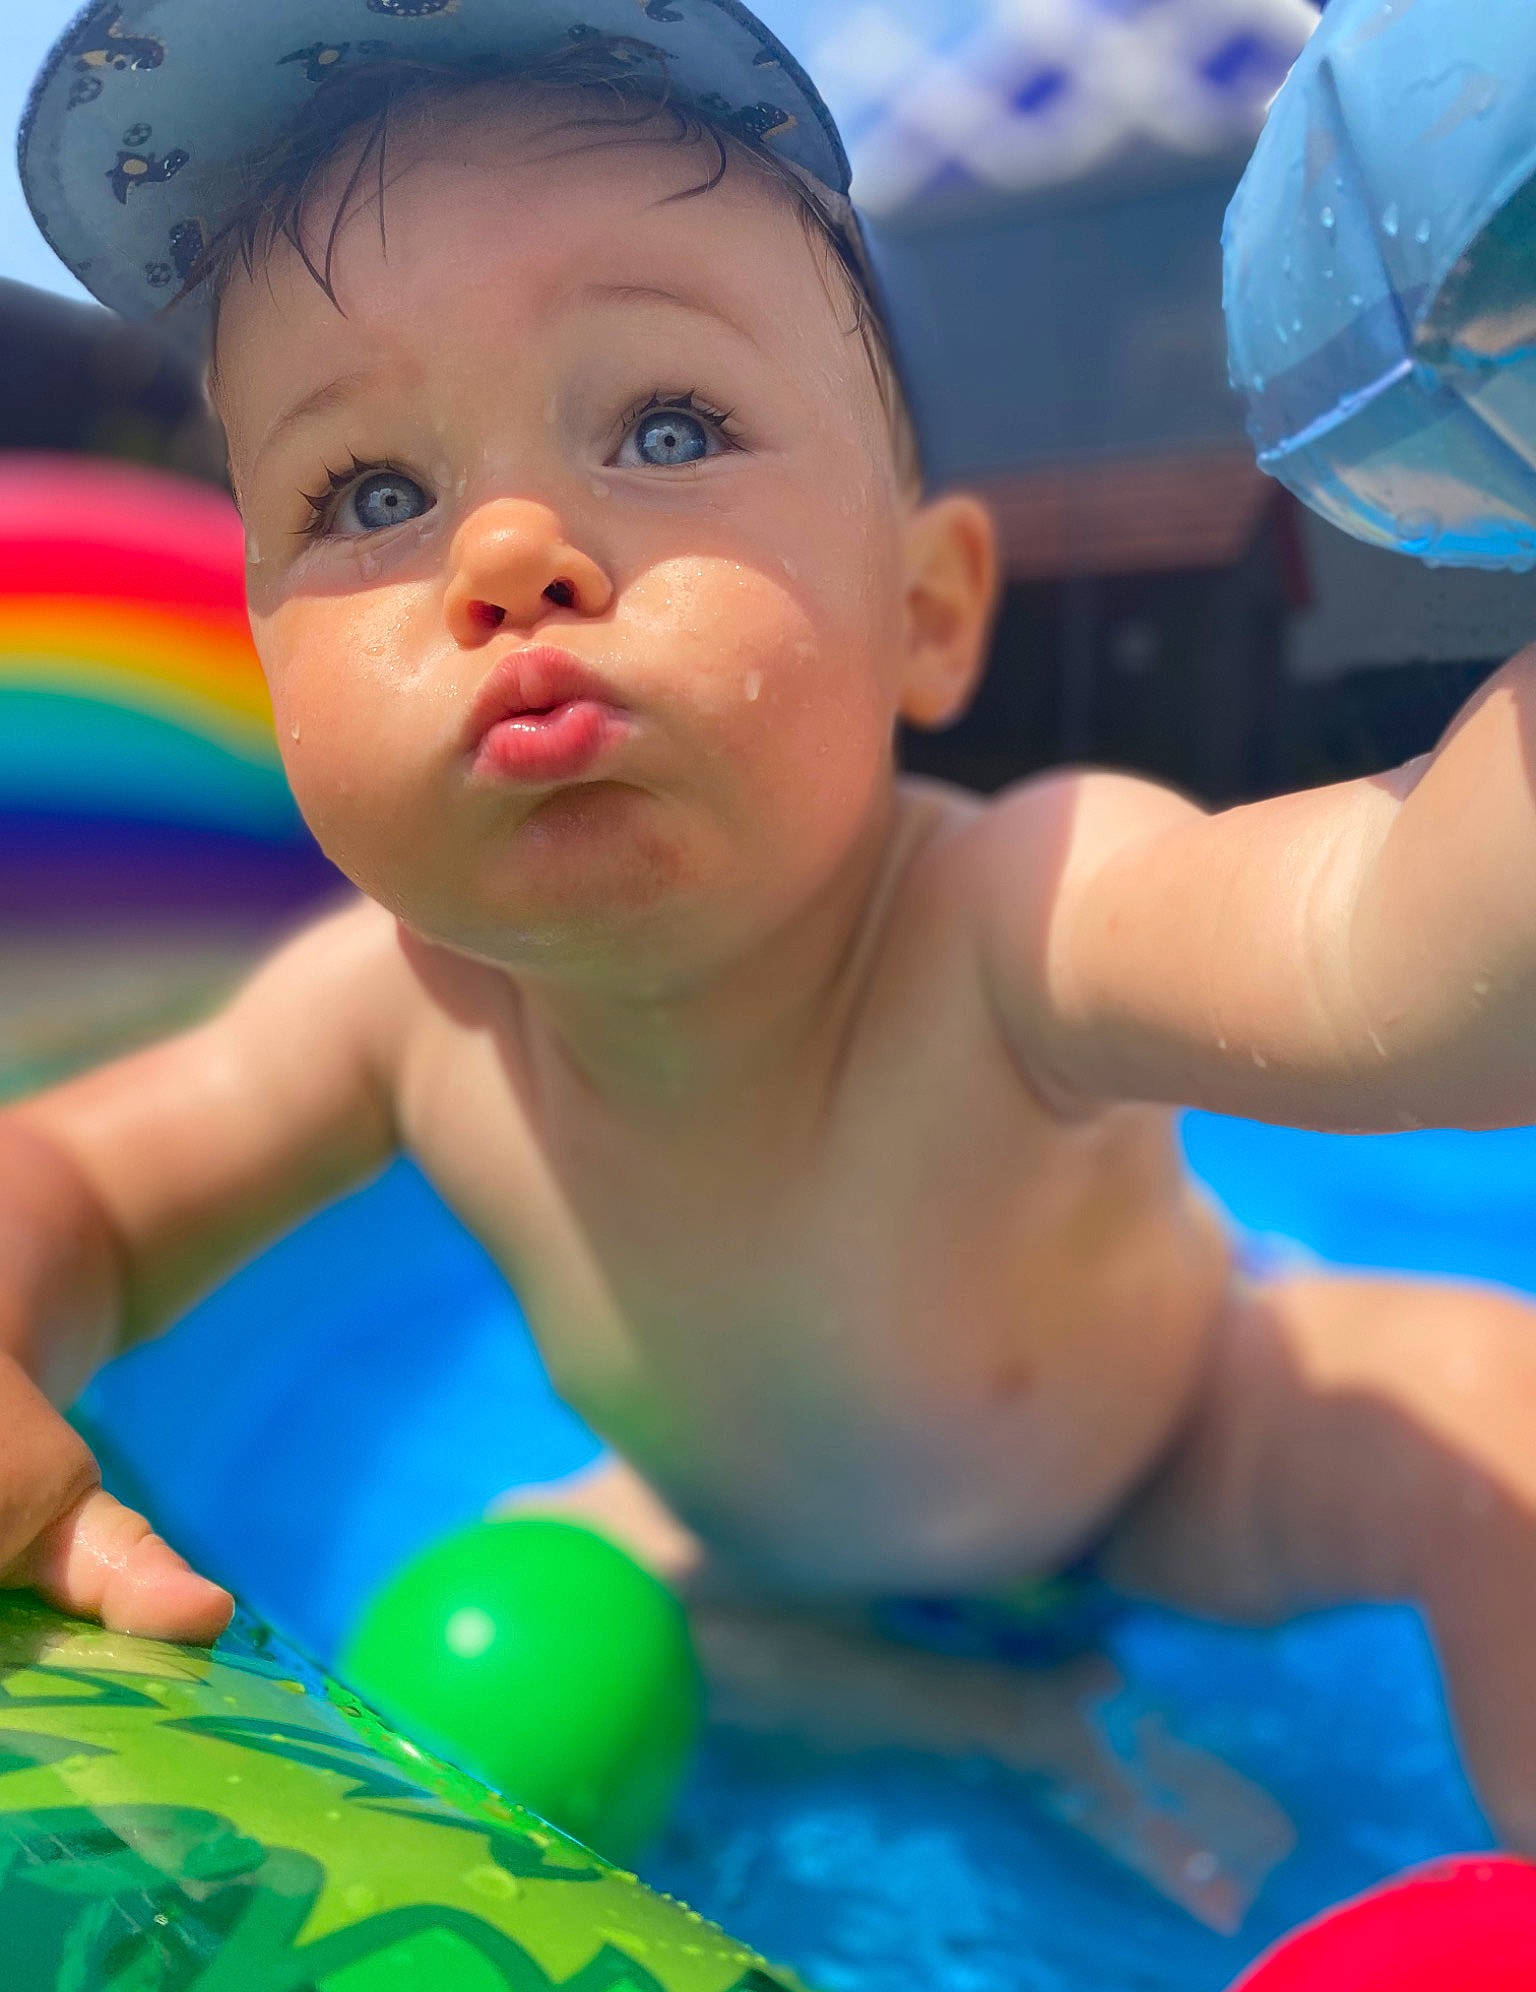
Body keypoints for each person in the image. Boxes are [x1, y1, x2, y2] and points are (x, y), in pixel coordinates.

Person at [9, 6, 1536, 1865]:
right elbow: (83, 1187)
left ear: (928, 613)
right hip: (733, 1552)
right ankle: (992, 1724)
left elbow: (1389, 951)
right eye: (371, 494)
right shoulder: (390, 1017)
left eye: (668, 425)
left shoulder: (1018, 914)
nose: (506, 554)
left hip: (1171, 1461)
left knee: (1498, 1421)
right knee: (506, 1638)